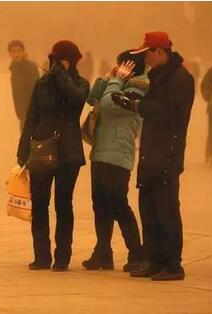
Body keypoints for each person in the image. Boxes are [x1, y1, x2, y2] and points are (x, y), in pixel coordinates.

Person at [112, 32, 194, 281]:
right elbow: (153, 107)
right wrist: (133, 101)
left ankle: (172, 264)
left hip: (167, 153)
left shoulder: (180, 78)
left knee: (166, 209)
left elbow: (171, 114)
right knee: (148, 208)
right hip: (150, 152)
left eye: (147, 53)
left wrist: (137, 106)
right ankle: (154, 260)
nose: (145, 59)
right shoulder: (158, 77)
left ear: (159, 52)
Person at [17, 40, 89, 272]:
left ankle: (62, 257)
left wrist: (62, 78)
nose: (58, 65)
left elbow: (77, 101)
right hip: (41, 150)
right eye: (56, 60)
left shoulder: (80, 83)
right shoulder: (42, 84)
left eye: (63, 60)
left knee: (63, 204)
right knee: (39, 204)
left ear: (73, 61)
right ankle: (41, 256)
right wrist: (22, 150)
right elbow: (31, 118)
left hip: (69, 152)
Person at [82, 50, 147, 273]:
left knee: (118, 204)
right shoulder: (117, 84)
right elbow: (92, 98)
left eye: (121, 64)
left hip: (118, 156)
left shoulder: (137, 89)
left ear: (131, 67)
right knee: (99, 205)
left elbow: (110, 106)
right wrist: (107, 77)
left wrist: (117, 80)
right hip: (100, 152)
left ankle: (137, 253)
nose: (118, 67)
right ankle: (102, 253)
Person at [8, 40, 40, 131]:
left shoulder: (30, 67)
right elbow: (16, 93)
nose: (16, 54)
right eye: (13, 51)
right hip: (22, 113)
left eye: (18, 51)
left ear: (23, 52)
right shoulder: (14, 68)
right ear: (9, 53)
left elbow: (35, 89)